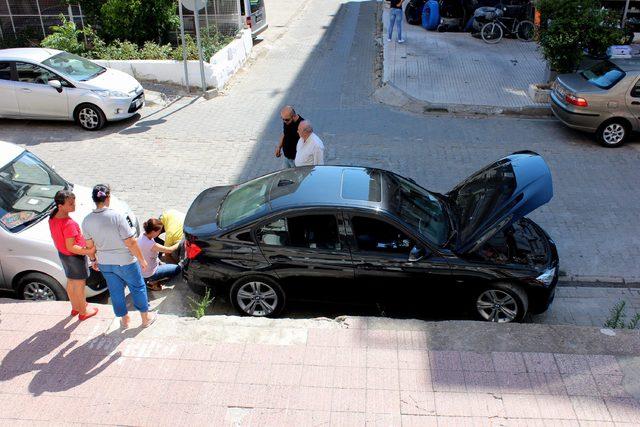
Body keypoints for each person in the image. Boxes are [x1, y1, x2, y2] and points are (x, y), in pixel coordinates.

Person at [82, 184, 155, 329]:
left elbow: (90, 247)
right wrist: (141, 259)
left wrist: (93, 260)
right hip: (125, 262)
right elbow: (131, 242)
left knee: (115, 291)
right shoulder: (116, 217)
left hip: (105, 263)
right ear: (107, 197)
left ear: (94, 200)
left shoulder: (87, 221)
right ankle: (145, 319)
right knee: (138, 287)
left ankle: (125, 319)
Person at [48, 190, 99, 321]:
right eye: (70, 204)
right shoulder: (68, 224)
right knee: (79, 286)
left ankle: (76, 307)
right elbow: (71, 247)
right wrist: (90, 251)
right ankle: (83, 311)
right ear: (60, 206)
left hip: (64, 255)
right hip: (75, 257)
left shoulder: (53, 217)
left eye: (74, 202)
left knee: (71, 282)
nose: (74, 206)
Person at [138, 218, 182, 291]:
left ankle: (152, 279)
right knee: (178, 269)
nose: (160, 232)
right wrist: (181, 241)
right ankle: (153, 281)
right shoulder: (151, 244)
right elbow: (169, 250)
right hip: (150, 273)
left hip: (142, 269)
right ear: (153, 231)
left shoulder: (142, 234)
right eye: (159, 231)